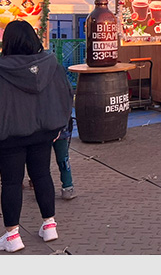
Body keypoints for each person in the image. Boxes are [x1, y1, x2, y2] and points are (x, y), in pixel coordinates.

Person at [0, 20, 73, 252]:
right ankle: (49, 225)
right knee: (42, 175)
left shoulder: (2, 69)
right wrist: (58, 127)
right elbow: (65, 94)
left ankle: (12, 236)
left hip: (9, 136)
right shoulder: (51, 64)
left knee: (11, 182)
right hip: (43, 133)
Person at [53, 118, 77, 200]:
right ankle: (68, 187)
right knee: (63, 160)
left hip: (42, 131)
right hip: (61, 129)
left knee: (41, 163)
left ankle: (40, 188)